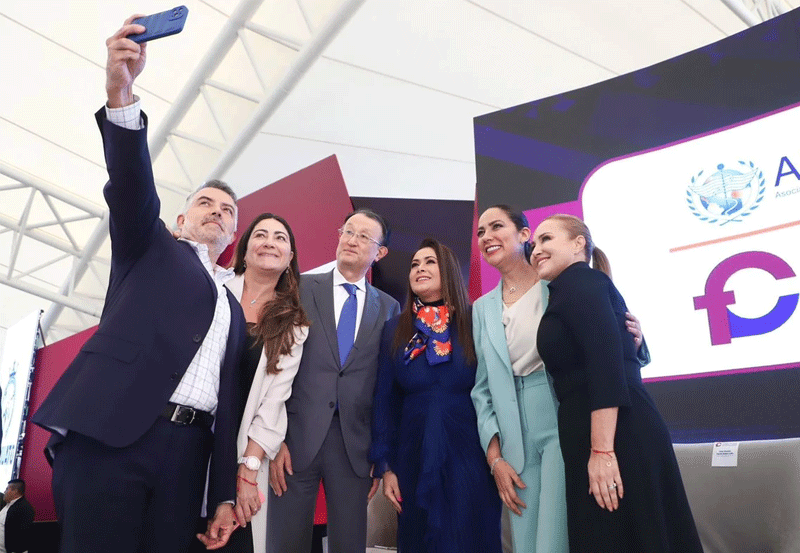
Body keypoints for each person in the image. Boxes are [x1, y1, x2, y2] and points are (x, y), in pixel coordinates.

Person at [32, 17, 245, 553]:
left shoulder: (233, 304)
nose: (217, 212)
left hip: (187, 460)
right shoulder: (150, 246)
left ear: (233, 234)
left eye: (228, 210)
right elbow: (131, 184)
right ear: (180, 219)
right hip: (113, 435)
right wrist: (121, 96)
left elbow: (229, 405)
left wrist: (222, 493)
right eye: (205, 203)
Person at [471, 205, 647, 553]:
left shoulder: (558, 283)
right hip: (512, 435)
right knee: (525, 544)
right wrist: (495, 459)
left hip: (561, 419)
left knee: (555, 541)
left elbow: (604, 347)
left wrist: (638, 343)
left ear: (524, 235)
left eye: (496, 227)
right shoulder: (481, 308)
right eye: (480, 232)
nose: (486, 236)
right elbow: (482, 388)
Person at [531, 214, 702, 553]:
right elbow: (613, 352)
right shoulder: (573, 288)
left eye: (546, 239)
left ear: (579, 243)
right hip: (603, 431)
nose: (535, 250)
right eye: (533, 244)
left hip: (615, 435)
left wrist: (602, 451)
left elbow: (605, 366)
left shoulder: (582, 281)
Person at [266, 209, 401, 553]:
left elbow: (386, 388)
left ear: (380, 252)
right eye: (348, 231)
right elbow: (275, 367)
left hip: (355, 446)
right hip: (295, 440)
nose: (352, 240)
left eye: (364, 236)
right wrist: (275, 439)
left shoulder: (389, 308)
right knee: (284, 542)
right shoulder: (299, 288)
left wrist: (380, 457)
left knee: (349, 545)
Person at [371, 238, 502, 552]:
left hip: (470, 452)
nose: (420, 269)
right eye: (415, 264)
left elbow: (496, 389)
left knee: (471, 536)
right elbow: (385, 401)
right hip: (412, 453)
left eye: (430, 262)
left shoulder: (476, 320)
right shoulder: (393, 329)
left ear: (449, 270)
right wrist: (386, 466)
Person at [0, 480, 34, 553]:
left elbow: (22, 536)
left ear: (15, 491)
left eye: (7, 489)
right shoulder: (7, 505)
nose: (5, 491)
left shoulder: (24, 508)